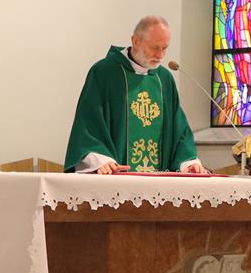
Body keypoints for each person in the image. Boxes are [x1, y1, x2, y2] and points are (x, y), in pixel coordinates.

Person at [65, 16, 209, 175]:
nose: (160, 55)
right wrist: (101, 160)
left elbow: (179, 130)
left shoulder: (164, 79)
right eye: (155, 47)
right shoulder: (104, 73)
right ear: (135, 41)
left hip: (159, 185)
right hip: (116, 181)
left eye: (164, 48)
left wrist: (188, 162)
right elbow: (89, 126)